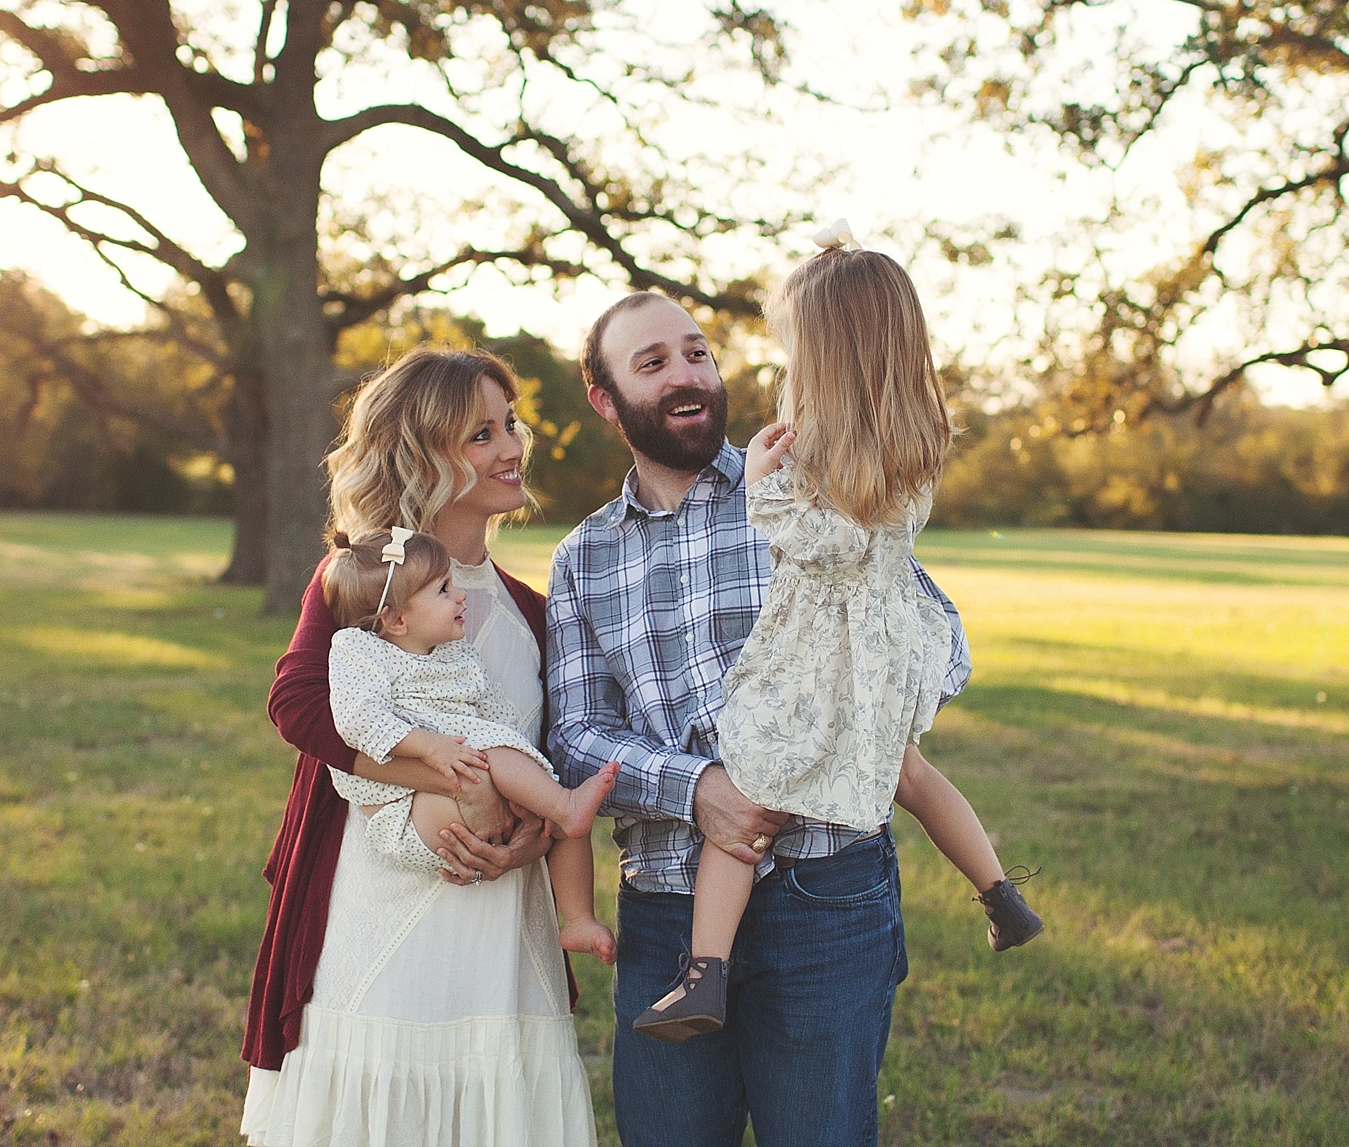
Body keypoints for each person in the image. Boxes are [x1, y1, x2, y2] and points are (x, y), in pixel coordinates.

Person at [545, 283, 971, 1147]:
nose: (684, 373)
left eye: (697, 351)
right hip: (666, 903)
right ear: (606, 398)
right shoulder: (583, 555)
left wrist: (855, 722)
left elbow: (925, 630)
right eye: (652, 362)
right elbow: (577, 734)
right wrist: (701, 786)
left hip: (828, 891)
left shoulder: (809, 489)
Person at [631, 228, 1040, 1045]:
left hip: (825, 655)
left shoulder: (828, 451)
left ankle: (703, 974)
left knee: (751, 798)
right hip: (887, 645)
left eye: (793, 346)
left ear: (825, 351)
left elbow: (832, 546)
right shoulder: (912, 436)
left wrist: (761, 492)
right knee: (907, 772)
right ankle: (1000, 894)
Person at [241, 348, 596, 1147]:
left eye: (511, 424)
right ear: (421, 452)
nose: (511, 447)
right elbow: (296, 702)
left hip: (502, 927)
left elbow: (548, 763)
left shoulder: (534, 613)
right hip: (383, 903)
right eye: (480, 433)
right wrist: (432, 764)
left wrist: (531, 835)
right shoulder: (366, 585)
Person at [320, 525, 619, 960]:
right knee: (549, 796)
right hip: (404, 807)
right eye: (443, 590)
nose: (459, 596)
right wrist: (429, 747)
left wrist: (525, 775)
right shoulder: (358, 650)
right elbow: (355, 719)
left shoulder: (455, 654)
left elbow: (496, 717)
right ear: (396, 619)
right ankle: (563, 807)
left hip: (468, 770)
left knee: (550, 801)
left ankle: (577, 920)